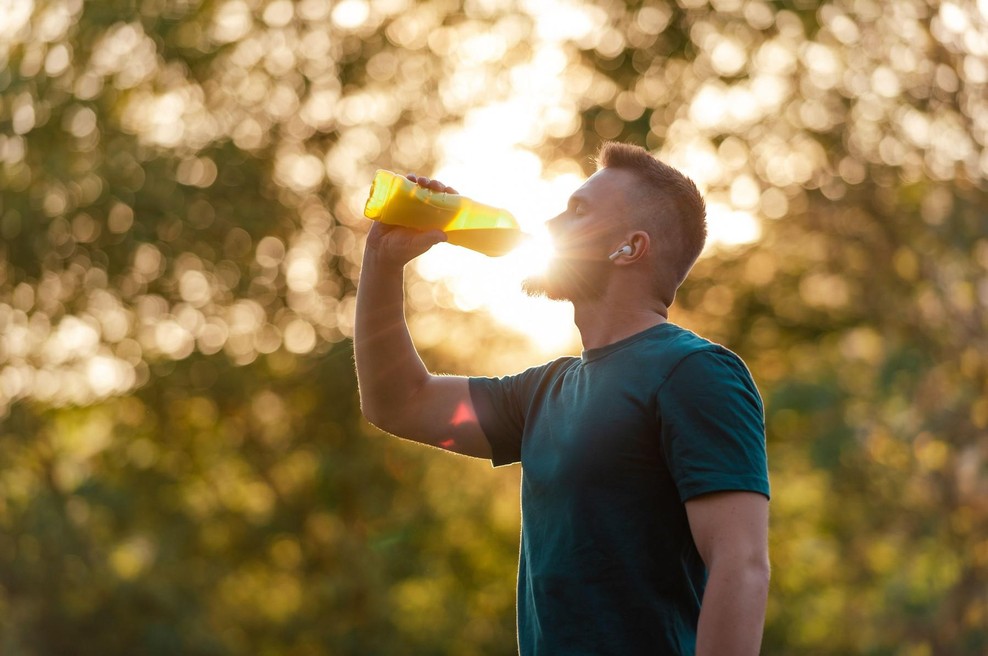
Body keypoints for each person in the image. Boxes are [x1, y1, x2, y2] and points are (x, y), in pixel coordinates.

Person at [354, 142, 770, 655]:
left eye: (578, 211)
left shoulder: (695, 373)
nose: (550, 224)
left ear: (629, 248)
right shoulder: (541, 394)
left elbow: (742, 562)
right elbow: (399, 403)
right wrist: (382, 261)